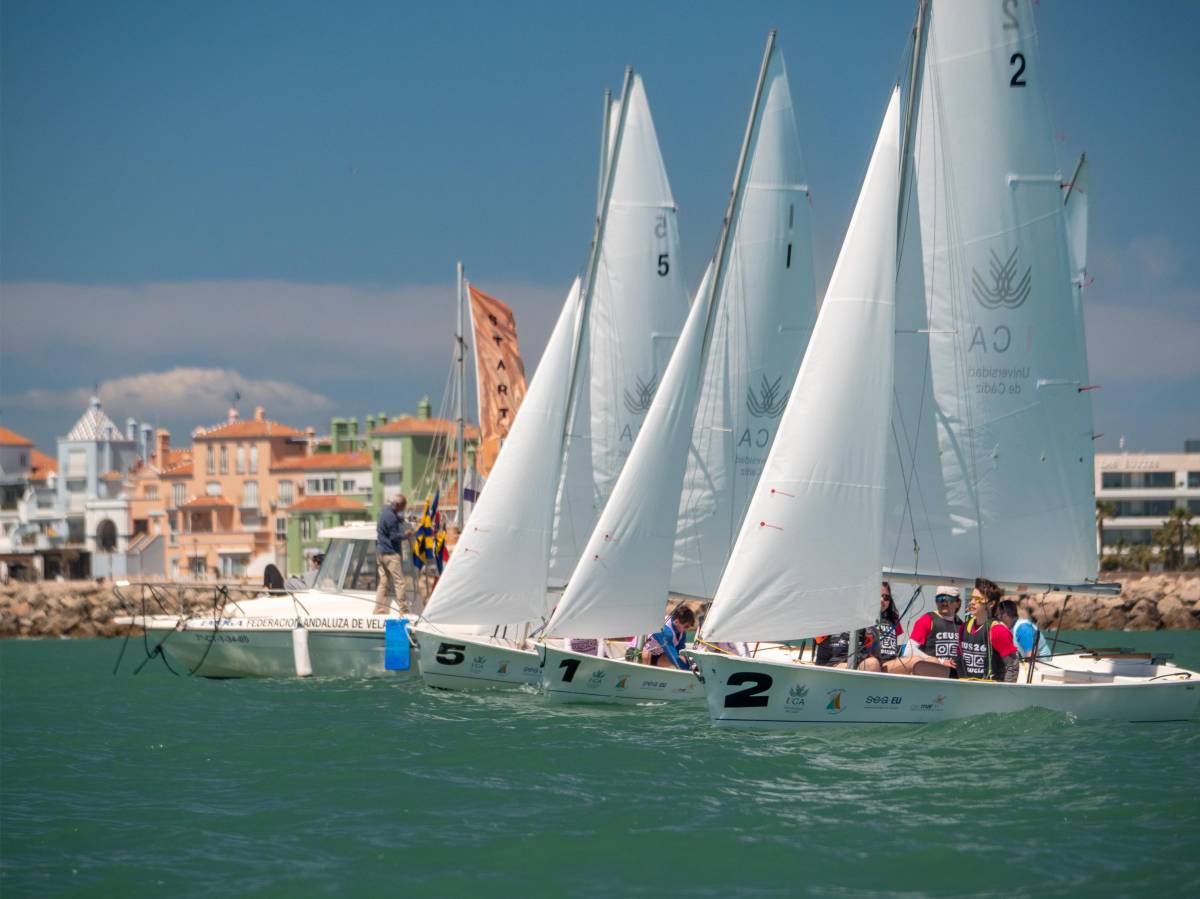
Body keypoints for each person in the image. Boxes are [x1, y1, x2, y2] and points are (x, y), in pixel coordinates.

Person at [883, 585, 963, 674]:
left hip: (956, 675)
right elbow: (909, 651)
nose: (944, 603)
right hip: (932, 673)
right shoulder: (927, 619)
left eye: (948, 599)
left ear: (958, 603)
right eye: (940, 599)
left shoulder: (962, 625)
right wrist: (940, 661)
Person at [957, 578, 1019, 682]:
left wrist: (1005, 690)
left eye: (978, 599)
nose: (972, 602)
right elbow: (959, 660)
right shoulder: (963, 627)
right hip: (967, 687)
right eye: (972, 598)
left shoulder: (998, 630)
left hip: (991, 689)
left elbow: (1012, 666)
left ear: (991, 604)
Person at [374, 494, 413, 615]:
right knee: (399, 582)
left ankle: (378, 609)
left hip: (380, 552)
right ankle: (403, 609)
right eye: (402, 507)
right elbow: (394, 537)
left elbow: (393, 519)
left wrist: (400, 519)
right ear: (397, 505)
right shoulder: (391, 517)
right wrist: (406, 534)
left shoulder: (385, 512)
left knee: (383, 582)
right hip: (390, 554)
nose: (403, 509)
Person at [875, 581, 905, 666]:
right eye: (878, 596)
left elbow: (897, 644)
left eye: (886, 597)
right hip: (874, 663)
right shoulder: (864, 619)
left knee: (915, 661)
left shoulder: (894, 618)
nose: (882, 600)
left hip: (891, 663)